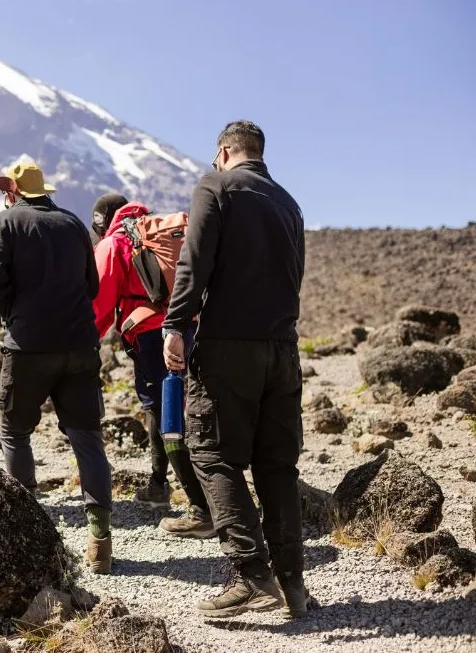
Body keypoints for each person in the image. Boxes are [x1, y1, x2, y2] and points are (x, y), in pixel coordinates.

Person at [163, 120, 307, 618]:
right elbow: (297, 274)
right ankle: (294, 585)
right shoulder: (289, 202)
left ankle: (250, 576)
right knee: (277, 466)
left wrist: (175, 323)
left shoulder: (216, 186)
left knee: (212, 455)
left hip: (228, 348)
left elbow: (194, 260)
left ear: (224, 152)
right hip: (283, 350)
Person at [0, 161, 114, 574]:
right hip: (80, 344)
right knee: (87, 437)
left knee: (15, 433)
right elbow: (92, 284)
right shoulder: (72, 224)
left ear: (13, 190)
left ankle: (28, 532)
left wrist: (12, 310)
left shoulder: (4, 223)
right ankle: (100, 541)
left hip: (29, 346)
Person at [92, 200, 215, 539]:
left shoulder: (116, 242)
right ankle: (159, 484)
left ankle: (201, 508)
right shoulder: (162, 233)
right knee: (166, 408)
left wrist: (88, 337)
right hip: (188, 326)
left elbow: (100, 298)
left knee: (168, 412)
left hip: (150, 335)